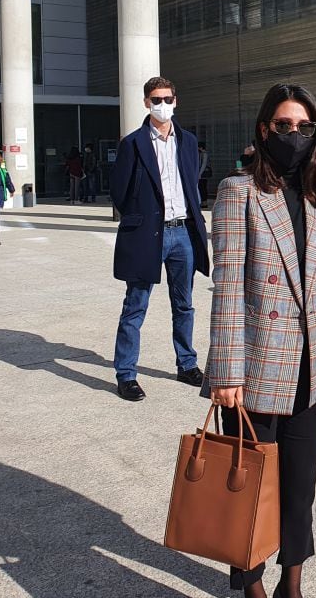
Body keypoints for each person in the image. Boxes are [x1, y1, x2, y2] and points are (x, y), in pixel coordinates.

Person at [205, 83, 316, 598]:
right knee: (250, 484)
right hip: (257, 365)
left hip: (314, 362)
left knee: (299, 487)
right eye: (285, 125)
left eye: (304, 127)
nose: (295, 134)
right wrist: (226, 373)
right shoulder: (238, 192)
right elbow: (227, 285)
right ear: (264, 129)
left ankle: (293, 582)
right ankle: (252, 586)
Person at [109, 76, 209, 402]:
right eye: (156, 100)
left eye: (167, 99)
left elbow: (192, 183)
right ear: (146, 103)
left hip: (183, 233)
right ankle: (126, 374)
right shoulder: (132, 143)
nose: (162, 105)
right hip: (147, 234)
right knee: (135, 305)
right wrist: (141, 218)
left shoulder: (188, 141)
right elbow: (119, 192)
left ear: (175, 101)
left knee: (184, 304)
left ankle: (187, 364)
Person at [197, 141, 212, 208]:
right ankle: (203, 202)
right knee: (202, 187)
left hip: (204, 173)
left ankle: (204, 202)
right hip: (202, 173)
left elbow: (204, 164)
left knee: (202, 187)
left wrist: (199, 174)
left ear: (200, 147)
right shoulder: (201, 153)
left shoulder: (204, 154)